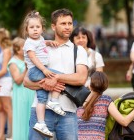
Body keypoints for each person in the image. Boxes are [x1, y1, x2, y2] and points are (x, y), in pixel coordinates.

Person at [23, 8, 88, 140]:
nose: (67, 27)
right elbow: (26, 81)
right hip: (41, 111)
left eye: (70, 23)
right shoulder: (41, 48)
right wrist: (47, 85)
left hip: (67, 112)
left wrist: (56, 78)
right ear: (53, 26)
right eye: (63, 24)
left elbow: (81, 78)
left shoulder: (79, 50)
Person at [22, 11, 66, 138]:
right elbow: (33, 58)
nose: (35, 30)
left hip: (40, 70)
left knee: (41, 98)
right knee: (60, 76)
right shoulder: (29, 43)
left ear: (42, 28)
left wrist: (49, 42)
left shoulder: (40, 39)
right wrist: (45, 70)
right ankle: (54, 101)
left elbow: (41, 43)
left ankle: (41, 123)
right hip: (36, 70)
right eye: (32, 27)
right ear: (26, 29)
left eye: (38, 27)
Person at [77, 71, 134, 140]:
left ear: (90, 85)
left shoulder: (79, 101)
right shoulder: (106, 101)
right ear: (105, 86)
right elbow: (124, 122)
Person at [8, 37, 35, 140]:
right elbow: (17, 80)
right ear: (17, 49)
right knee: (22, 119)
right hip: (21, 95)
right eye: (24, 48)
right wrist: (26, 69)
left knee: (30, 120)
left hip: (31, 92)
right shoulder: (13, 62)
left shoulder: (28, 59)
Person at [0, 28, 13, 140]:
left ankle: (14, 134)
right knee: (1, 108)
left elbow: (4, 70)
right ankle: (1, 135)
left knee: (7, 108)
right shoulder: (1, 51)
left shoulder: (7, 51)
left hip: (5, 81)